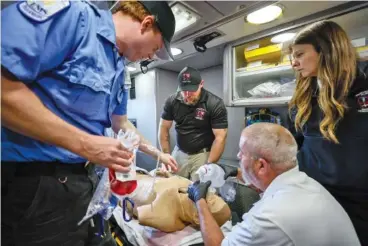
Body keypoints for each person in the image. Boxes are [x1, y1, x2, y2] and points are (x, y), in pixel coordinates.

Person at [1, 1, 177, 245]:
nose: (150, 57)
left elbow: (122, 123)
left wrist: (158, 154)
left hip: (84, 181)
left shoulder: (119, 68)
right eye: (155, 49)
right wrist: (86, 145)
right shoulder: (75, 18)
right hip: (37, 184)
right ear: (146, 24)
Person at [188, 123, 361, 246]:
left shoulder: (268, 217)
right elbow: (268, 185)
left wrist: (200, 201)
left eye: (242, 152)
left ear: (261, 165)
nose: (238, 156)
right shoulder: (306, 183)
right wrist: (239, 174)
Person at [288, 20, 368, 245]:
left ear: (326, 50)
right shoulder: (304, 96)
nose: (294, 63)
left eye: (300, 54)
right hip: (314, 195)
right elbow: (293, 143)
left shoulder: (362, 86)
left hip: (358, 203)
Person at [159, 66, 228, 180]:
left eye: (191, 90)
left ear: (201, 84)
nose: (187, 95)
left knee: (199, 191)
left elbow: (220, 137)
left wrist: (209, 165)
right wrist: (165, 154)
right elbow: (163, 127)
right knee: (175, 185)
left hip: (202, 154)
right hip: (179, 152)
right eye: (183, 90)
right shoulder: (171, 101)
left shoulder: (214, 103)